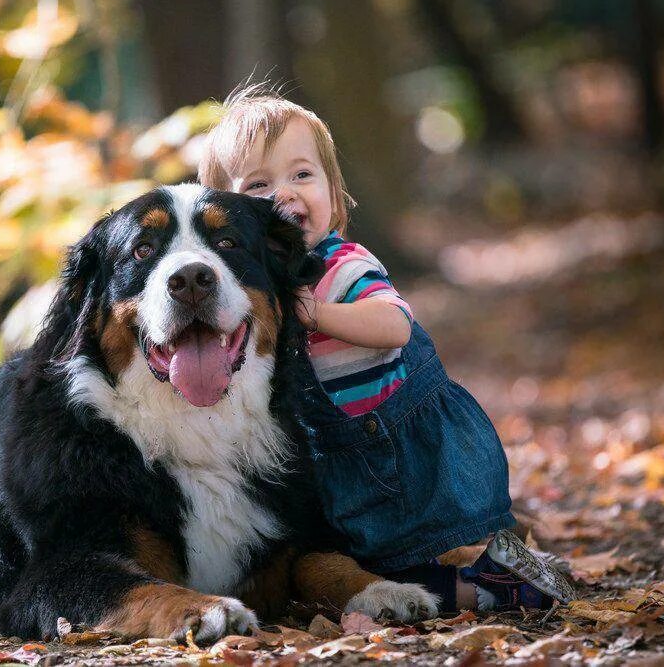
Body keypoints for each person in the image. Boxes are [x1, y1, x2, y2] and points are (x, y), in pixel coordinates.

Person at [198, 85, 574, 613]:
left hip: (396, 453)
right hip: (336, 468)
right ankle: (504, 578)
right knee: (384, 571)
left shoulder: (344, 265)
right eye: (258, 185)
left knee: (431, 545)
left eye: (301, 175)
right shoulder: (258, 286)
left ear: (333, 189)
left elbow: (394, 324)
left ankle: (514, 575)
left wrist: (320, 315)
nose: (283, 193)